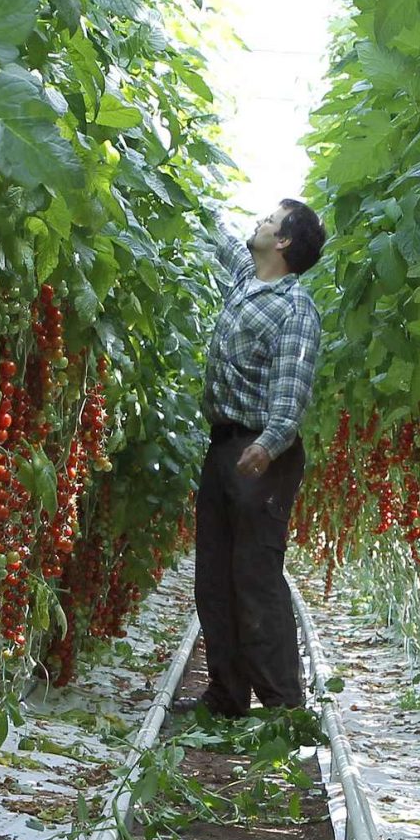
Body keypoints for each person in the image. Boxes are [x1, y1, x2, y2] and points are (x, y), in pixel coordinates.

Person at [177, 199, 326, 717]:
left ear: (283, 241)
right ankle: (226, 697)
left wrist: (270, 441)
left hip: (262, 453)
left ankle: (285, 708)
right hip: (225, 445)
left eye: (268, 219)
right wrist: (190, 195)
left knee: (255, 577)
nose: (258, 222)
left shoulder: (295, 306)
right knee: (214, 577)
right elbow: (219, 237)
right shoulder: (247, 284)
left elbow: (293, 384)